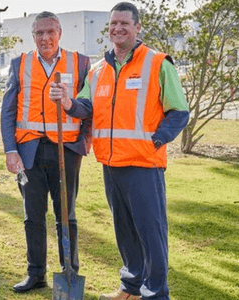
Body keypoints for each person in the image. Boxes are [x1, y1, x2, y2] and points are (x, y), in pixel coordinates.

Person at [50, 3, 189, 299]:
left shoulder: (157, 63)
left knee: (151, 233)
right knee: (124, 231)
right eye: (113, 24)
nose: (118, 29)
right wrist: (67, 103)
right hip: (111, 164)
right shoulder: (98, 70)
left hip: (143, 164)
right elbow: (85, 107)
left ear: (137, 28)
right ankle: (131, 287)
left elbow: (179, 111)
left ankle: (156, 293)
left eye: (125, 23)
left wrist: (156, 140)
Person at [0, 11, 91, 293]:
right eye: (39, 33)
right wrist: (10, 150)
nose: (45, 38)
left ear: (60, 32)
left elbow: (89, 108)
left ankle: (69, 272)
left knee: (66, 215)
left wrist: (84, 142)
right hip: (30, 152)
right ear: (33, 36)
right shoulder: (20, 64)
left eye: (50, 31)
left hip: (66, 151)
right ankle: (35, 273)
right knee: (32, 216)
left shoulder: (80, 62)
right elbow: (8, 111)